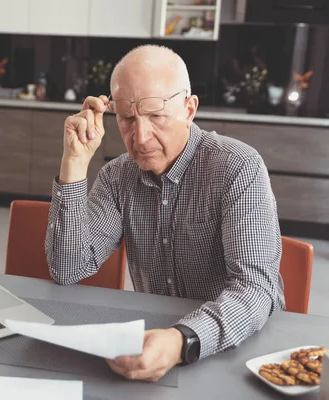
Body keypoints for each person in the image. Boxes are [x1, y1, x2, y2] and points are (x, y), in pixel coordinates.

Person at [44, 44, 285, 382]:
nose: (140, 138)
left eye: (156, 115)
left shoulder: (238, 167)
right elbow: (67, 268)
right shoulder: (117, 176)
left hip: (234, 347)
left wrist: (181, 340)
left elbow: (256, 289)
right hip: (153, 346)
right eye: (127, 119)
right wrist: (74, 163)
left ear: (189, 109)